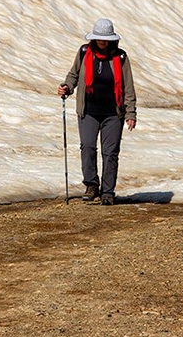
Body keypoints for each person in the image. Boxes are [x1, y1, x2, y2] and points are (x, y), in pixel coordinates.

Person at [58, 19, 137, 205]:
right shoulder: (84, 52)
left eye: (106, 39)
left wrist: (131, 113)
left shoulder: (121, 57)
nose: (103, 42)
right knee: (87, 146)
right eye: (100, 39)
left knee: (110, 152)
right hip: (89, 111)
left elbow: (128, 87)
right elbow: (74, 75)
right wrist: (67, 88)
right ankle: (91, 184)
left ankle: (108, 191)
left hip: (113, 113)